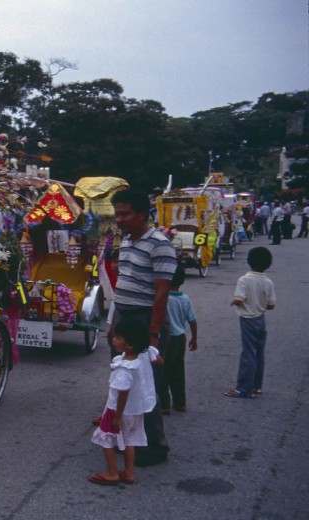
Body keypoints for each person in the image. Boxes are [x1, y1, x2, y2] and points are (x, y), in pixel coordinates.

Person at [108, 188, 177, 466]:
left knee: (146, 389)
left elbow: (161, 295)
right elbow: (123, 284)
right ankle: (128, 440)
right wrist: (112, 325)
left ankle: (155, 448)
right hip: (124, 319)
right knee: (124, 384)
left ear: (141, 214)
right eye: (117, 214)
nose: (119, 220)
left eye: (124, 214)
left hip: (144, 321)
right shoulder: (125, 241)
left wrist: (153, 338)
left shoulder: (160, 244)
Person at [89, 320, 161, 486]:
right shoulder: (145, 353)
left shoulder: (124, 370)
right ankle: (128, 472)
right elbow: (159, 360)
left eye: (118, 338)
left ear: (129, 345)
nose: (113, 340)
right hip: (137, 409)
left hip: (117, 410)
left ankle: (112, 472)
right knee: (130, 441)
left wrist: (117, 417)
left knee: (105, 438)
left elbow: (122, 393)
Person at [225, 247, 276, 399]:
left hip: (247, 319)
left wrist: (233, 302)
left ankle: (243, 389)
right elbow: (271, 305)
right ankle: (256, 386)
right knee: (259, 353)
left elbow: (239, 299)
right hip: (261, 318)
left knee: (248, 353)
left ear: (248, 262)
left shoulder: (244, 280)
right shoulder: (268, 281)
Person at [159, 265, 198, 414]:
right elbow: (193, 321)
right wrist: (194, 339)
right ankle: (180, 402)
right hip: (180, 338)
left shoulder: (163, 298)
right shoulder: (185, 299)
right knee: (178, 371)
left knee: (163, 372)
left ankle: (164, 405)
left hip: (166, 339)